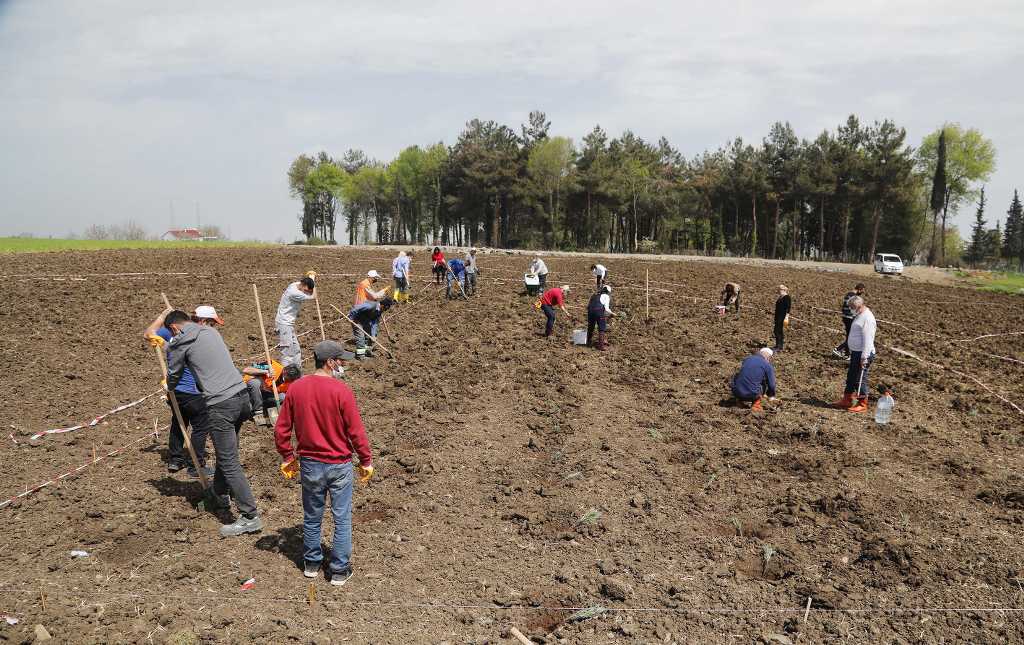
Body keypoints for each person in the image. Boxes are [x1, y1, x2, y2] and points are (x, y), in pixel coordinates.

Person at [275, 340, 373, 586]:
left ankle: (311, 563)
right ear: (329, 362)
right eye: (340, 360)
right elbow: (356, 432)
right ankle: (339, 570)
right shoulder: (341, 391)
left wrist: (287, 456)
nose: (342, 364)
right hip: (339, 464)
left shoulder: (296, 389)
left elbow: (282, 429)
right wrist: (366, 460)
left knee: (312, 515)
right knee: (341, 517)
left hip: (310, 463)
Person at [164, 310, 262, 537]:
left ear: (175, 329)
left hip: (221, 404)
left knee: (228, 461)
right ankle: (219, 494)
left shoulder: (178, 343)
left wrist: (168, 386)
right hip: (242, 397)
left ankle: (250, 516)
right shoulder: (210, 331)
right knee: (226, 452)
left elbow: (174, 374)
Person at [144, 306, 223, 478]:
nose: (213, 328)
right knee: (201, 426)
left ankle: (175, 459)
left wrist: (163, 315)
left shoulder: (173, 337)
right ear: (202, 321)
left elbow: (149, 333)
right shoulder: (198, 337)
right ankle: (195, 464)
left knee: (179, 422)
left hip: (174, 390)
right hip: (192, 391)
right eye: (211, 323)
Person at [833, 295, 876, 413]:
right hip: (856, 353)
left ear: (858, 306)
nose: (850, 309)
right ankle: (847, 399)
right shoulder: (859, 315)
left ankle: (862, 403)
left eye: (852, 307)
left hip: (863, 354)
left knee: (860, 378)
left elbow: (868, 340)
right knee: (851, 376)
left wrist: (864, 357)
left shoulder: (867, 318)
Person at [276, 275, 316, 367]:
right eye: (305, 290)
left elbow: (309, 290)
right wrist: (313, 279)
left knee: (296, 350)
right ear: (302, 284)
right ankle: (287, 375)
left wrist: (311, 280)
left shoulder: (295, 284)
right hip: (284, 324)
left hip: (289, 324)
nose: (305, 292)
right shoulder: (294, 293)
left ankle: (297, 372)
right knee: (287, 352)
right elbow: (314, 296)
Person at [832, 283, 866, 358]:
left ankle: (847, 354)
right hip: (849, 318)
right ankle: (838, 349)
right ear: (859, 289)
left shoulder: (848, 294)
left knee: (849, 336)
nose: (861, 293)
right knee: (851, 337)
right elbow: (854, 308)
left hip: (845, 317)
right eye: (862, 291)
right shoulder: (854, 296)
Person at [586, 285, 619, 350]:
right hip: (599, 312)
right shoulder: (606, 296)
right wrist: (613, 313)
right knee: (602, 328)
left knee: (591, 327)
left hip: (590, 312)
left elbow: (588, 305)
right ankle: (601, 346)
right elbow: (606, 309)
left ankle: (588, 341)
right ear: (608, 292)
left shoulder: (594, 295)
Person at [773, 285, 792, 351]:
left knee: (778, 331)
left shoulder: (787, 297)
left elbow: (788, 308)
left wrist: (786, 317)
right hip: (777, 316)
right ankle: (777, 345)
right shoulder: (780, 297)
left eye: (779, 290)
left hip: (782, 317)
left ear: (783, 290)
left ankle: (779, 346)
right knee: (776, 330)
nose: (778, 291)